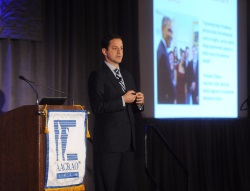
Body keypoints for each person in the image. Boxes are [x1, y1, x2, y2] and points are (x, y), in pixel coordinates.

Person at [88, 34, 144, 191]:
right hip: (109, 146)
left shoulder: (127, 75)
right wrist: (122, 100)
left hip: (127, 143)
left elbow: (131, 108)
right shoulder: (98, 75)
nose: (120, 52)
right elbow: (97, 107)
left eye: (122, 48)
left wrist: (139, 103)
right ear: (104, 51)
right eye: (115, 48)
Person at [157, 16, 175, 104]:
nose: (171, 35)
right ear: (162, 28)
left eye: (172, 32)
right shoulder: (162, 53)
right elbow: (166, 83)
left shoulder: (163, 50)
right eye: (169, 30)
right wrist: (175, 95)